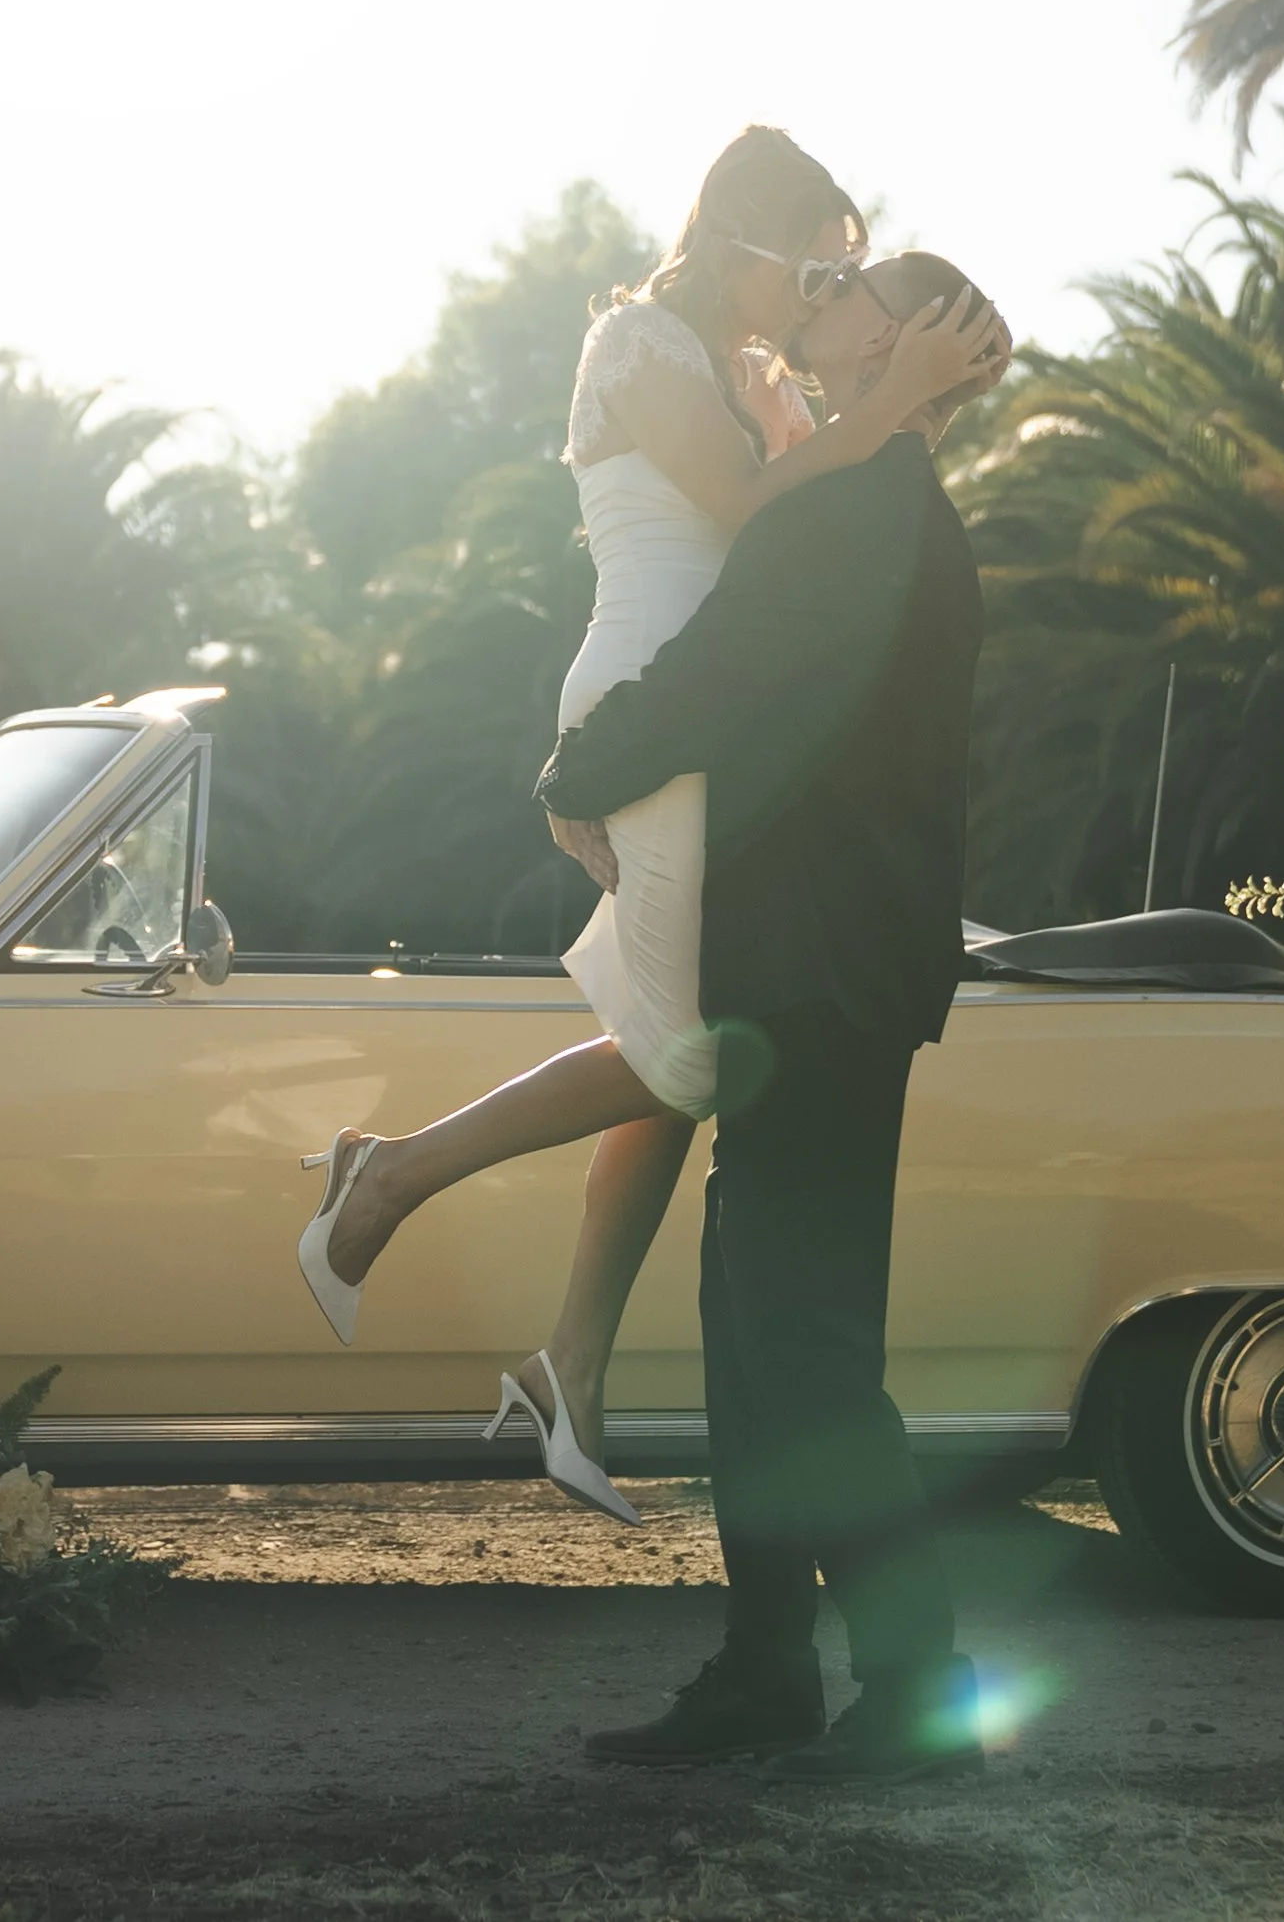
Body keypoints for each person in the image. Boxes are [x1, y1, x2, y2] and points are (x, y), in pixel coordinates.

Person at [296, 130, 1003, 1525]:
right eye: (811, 266)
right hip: (649, 696)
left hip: (708, 714)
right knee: (686, 1055)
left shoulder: (753, 378)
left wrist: (899, 402)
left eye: (842, 274)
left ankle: (571, 1357)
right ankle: (395, 1179)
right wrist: (891, 398)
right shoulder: (640, 344)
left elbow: (832, 529)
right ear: (742, 239)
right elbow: (745, 511)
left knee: (685, 1041)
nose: (819, 295)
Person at [536, 247, 995, 1782]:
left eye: (862, 290)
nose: (825, 300)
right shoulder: (866, 496)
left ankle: (915, 1690)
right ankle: (766, 1671)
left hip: (823, 967)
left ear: (909, 339)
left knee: (796, 1339)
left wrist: (575, 770)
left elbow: (728, 667)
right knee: (756, 1333)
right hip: (813, 964)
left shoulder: (860, 507)